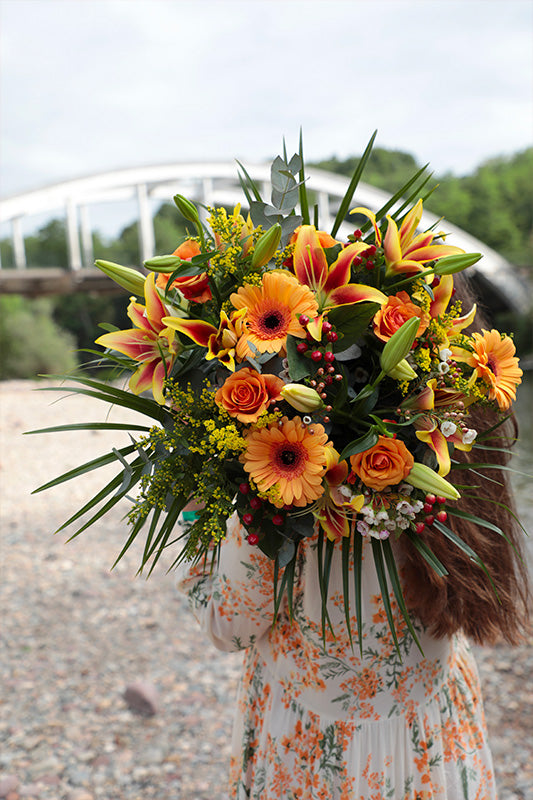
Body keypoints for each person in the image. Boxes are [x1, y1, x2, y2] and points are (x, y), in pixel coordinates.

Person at [176, 275, 530, 800]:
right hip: (433, 736)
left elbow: (231, 626)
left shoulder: (281, 486)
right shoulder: (456, 449)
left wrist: (195, 510)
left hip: (309, 750)